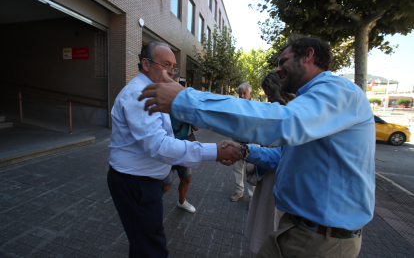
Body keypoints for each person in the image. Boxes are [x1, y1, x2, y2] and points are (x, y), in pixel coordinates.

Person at [138, 35, 375, 258]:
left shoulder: (339, 91)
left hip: (321, 239)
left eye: (284, 61)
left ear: (308, 55)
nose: (278, 69)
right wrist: (245, 151)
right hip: (301, 229)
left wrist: (187, 100)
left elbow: (284, 123)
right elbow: (285, 155)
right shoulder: (313, 101)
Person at [107, 41, 241, 258]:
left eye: (174, 66)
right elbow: (159, 145)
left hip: (143, 181)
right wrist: (214, 151)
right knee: (152, 248)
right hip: (136, 183)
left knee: (143, 243)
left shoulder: (153, 91)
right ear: (145, 64)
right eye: (165, 65)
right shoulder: (140, 95)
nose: (171, 71)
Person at [245, 70, 294, 253]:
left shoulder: (290, 116)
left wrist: (247, 153)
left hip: (275, 183)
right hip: (269, 181)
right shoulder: (282, 113)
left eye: (271, 96)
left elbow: (278, 156)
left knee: (270, 232)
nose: (269, 101)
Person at [162, 113, 199, 213]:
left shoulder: (187, 109)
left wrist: (188, 115)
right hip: (168, 150)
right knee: (165, 185)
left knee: (186, 179)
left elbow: (197, 128)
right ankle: (151, 204)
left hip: (184, 148)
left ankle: (182, 202)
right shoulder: (166, 108)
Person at [230, 83, 256, 202]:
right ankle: (238, 191)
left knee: (251, 169)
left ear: (250, 94)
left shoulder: (256, 108)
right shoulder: (235, 107)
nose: (241, 96)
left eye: (244, 93)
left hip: (253, 143)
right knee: (237, 168)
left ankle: (252, 196)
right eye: (239, 93)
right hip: (237, 142)